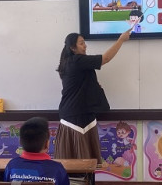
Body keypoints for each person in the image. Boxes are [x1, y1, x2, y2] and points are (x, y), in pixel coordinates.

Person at [54, 28, 132, 164]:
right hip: (75, 118)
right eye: (81, 43)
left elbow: (79, 85)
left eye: (84, 42)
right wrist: (121, 40)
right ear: (72, 48)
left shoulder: (70, 62)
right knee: (77, 162)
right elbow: (105, 58)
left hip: (82, 114)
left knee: (85, 162)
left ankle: (85, 179)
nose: (85, 46)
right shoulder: (77, 60)